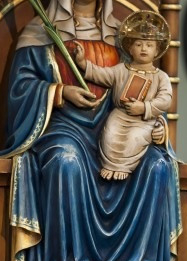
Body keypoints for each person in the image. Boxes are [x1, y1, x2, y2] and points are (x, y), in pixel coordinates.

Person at [0, 0, 182, 261]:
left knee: (159, 165)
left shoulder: (123, 35)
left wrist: (157, 126)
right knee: (65, 161)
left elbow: (148, 86)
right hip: (63, 130)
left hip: (117, 130)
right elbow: (19, 91)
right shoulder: (40, 32)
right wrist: (60, 92)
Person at [73, 11, 173, 181]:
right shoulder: (121, 70)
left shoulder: (160, 76)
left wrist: (144, 107)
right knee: (110, 134)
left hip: (143, 121)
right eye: (139, 44)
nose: (144, 49)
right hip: (120, 115)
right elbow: (101, 74)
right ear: (130, 48)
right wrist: (83, 63)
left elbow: (165, 100)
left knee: (135, 137)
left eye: (149, 45)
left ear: (156, 50)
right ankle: (111, 165)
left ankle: (123, 167)